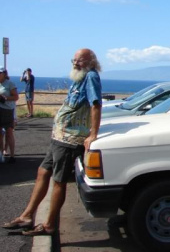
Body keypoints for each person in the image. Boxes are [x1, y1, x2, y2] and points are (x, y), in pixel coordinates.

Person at [2, 48, 102, 236]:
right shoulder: (80, 77)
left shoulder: (91, 77)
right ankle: (27, 215)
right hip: (60, 136)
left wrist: (92, 134)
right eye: (73, 60)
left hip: (70, 138)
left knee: (58, 181)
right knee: (42, 172)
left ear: (89, 61)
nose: (74, 63)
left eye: (78, 60)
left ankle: (49, 225)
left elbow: (96, 104)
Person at [0, 67, 19, 163]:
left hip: (7, 110)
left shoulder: (9, 84)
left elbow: (16, 97)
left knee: (9, 133)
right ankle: (1, 154)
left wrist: (5, 98)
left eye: (0, 73)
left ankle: (12, 155)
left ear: (4, 74)